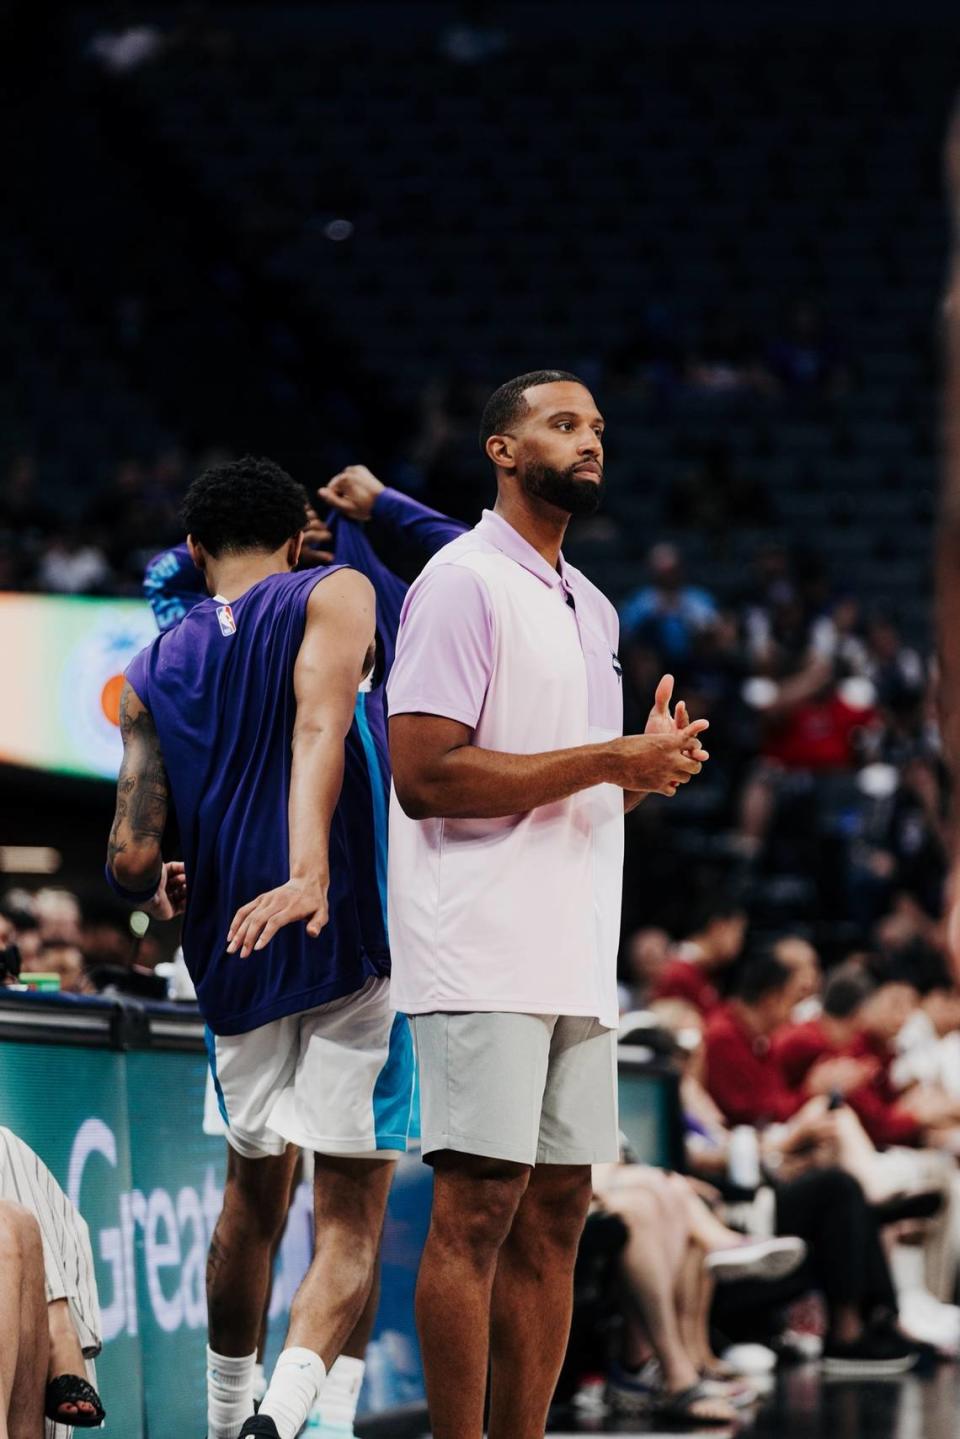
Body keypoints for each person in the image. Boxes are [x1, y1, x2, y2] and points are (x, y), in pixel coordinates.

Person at [386, 369, 711, 1439]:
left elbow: (571, 774)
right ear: (500, 448)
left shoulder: (594, 603)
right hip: (479, 941)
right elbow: (425, 773)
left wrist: (642, 770)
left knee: (560, 1216)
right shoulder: (461, 578)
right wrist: (609, 755)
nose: (590, 442)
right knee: (477, 1207)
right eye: (563, 424)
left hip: (575, 944)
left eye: (599, 428)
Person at [142, 461, 467, 1434]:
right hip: (340, 924)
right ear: (297, 539)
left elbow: (134, 842)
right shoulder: (325, 600)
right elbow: (314, 722)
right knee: (341, 1206)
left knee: (271, 1191)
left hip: (247, 936)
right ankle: (281, 1420)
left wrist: (164, 861)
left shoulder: (177, 649)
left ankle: (269, 1418)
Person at [652, 898, 748, 1016]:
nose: (740, 943)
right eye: (738, 933)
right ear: (718, 928)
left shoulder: (704, 969)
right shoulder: (678, 972)